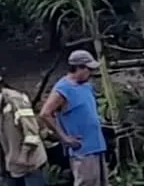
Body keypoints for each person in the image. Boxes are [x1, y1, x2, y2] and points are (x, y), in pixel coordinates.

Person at [40, 50, 107, 186]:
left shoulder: (86, 86)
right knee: (86, 182)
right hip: (82, 148)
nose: (91, 73)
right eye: (88, 69)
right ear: (79, 68)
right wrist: (64, 138)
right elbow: (45, 113)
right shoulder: (63, 89)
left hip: (96, 144)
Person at [0, 76, 47, 186]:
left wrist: (23, 155)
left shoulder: (16, 100)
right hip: (9, 164)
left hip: (29, 162)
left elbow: (32, 131)